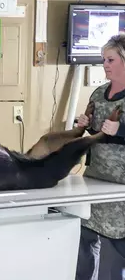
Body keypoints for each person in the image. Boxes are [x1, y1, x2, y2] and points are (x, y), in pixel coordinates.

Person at [76, 33, 125, 280]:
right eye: (103, 59)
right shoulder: (98, 94)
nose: (105, 64)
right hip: (94, 180)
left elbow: (116, 132)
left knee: (114, 250)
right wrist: (84, 124)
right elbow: (97, 134)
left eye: (111, 59)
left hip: (121, 189)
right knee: (84, 240)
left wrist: (122, 130)